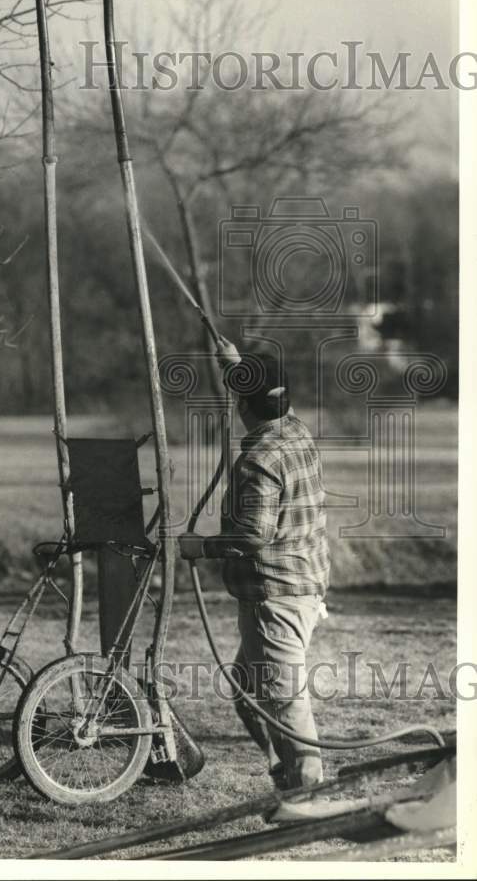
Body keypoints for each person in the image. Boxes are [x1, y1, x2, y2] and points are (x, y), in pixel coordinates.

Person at [178, 339, 330, 792]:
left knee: (284, 705)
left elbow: (253, 534)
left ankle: (306, 798)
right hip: (303, 588)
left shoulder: (259, 459)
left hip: (275, 599)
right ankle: (286, 777)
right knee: (248, 693)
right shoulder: (296, 431)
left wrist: (199, 548)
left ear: (244, 404)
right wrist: (236, 366)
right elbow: (258, 396)